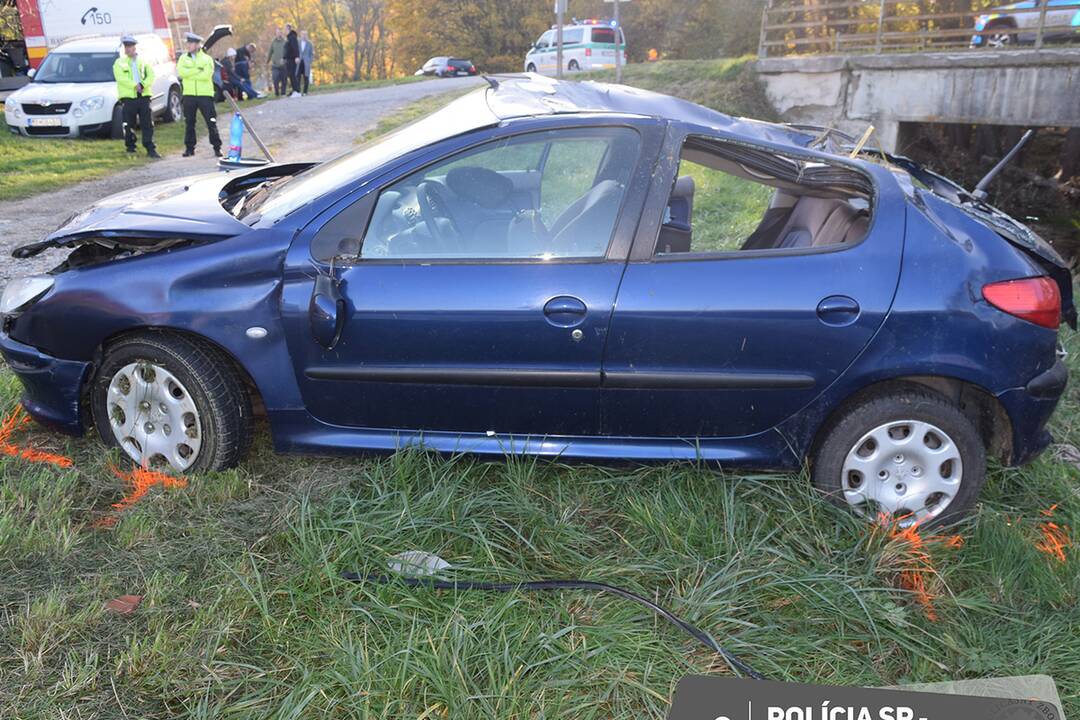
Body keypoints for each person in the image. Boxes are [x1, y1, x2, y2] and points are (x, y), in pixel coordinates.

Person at [112, 35, 160, 158]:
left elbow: (151, 75)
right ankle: (131, 147)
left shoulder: (143, 61)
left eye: (129, 46)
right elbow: (121, 78)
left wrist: (143, 84)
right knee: (128, 124)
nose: (127, 49)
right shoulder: (119, 63)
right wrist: (135, 85)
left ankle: (150, 148)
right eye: (125, 47)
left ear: (134, 47)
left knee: (147, 124)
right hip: (129, 98)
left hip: (143, 96)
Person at [176, 32, 221, 157]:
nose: (188, 46)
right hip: (189, 95)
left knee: (211, 122)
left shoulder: (207, 59)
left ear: (197, 45)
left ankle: (217, 147)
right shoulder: (183, 58)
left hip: (205, 95)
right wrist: (197, 70)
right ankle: (189, 148)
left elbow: (206, 75)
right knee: (189, 123)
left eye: (191, 43)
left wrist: (190, 72)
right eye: (188, 43)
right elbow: (181, 72)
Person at [267, 27, 286, 96]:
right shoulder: (273, 42)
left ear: (282, 33)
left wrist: (285, 59)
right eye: (278, 32)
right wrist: (267, 61)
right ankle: (277, 93)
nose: (279, 34)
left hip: (283, 65)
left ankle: (283, 93)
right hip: (275, 65)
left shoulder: (285, 41)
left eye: (280, 32)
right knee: (275, 79)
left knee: (284, 80)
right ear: (276, 33)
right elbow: (270, 52)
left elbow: (288, 52)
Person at [284, 24, 300, 96]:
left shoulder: (292, 37)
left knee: (292, 75)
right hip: (288, 59)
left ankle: (297, 91)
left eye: (285, 29)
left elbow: (295, 47)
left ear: (288, 29)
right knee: (290, 75)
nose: (284, 31)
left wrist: (297, 56)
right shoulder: (288, 37)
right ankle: (294, 90)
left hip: (292, 59)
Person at [298, 30, 313, 95]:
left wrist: (309, 61)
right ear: (300, 35)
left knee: (306, 77)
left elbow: (311, 54)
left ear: (307, 35)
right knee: (297, 77)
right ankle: (298, 91)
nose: (304, 36)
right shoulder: (298, 42)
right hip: (299, 62)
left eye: (305, 35)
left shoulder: (310, 43)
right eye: (303, 34)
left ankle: (305, 92)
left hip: (306, 63)